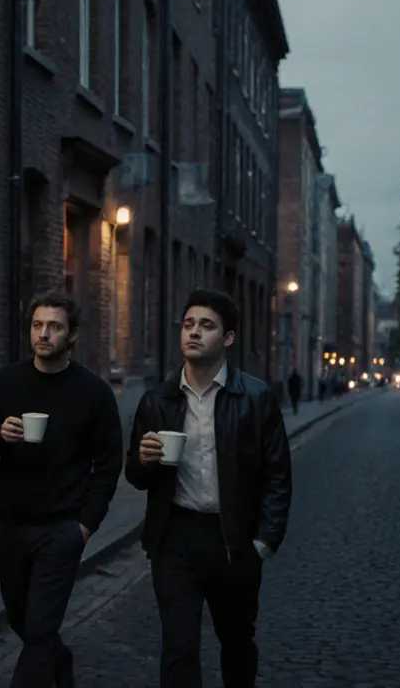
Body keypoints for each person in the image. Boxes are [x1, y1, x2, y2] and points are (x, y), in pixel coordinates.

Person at [125, 288, 293, 688]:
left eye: (206, 326)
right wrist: (144, 461)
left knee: (236, 642)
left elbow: (278, 476)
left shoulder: (255, 398)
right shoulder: (157, 400)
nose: (194, 333)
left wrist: (263, 544)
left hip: (232, 539)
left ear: (228, 338)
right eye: (188, 325)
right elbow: (135, 474)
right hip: (175, 538)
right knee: (178, 647)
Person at [0, 291, 123, 687]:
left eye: (54, 327)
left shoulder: (94, 393)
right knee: (21, 618)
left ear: (71, 335)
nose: (44, 334)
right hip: (10, 523)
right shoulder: (6, 381)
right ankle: (61, 665)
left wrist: (86, 525)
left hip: (62, 527)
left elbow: (108, 464)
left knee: (39, 628)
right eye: (38, 326)